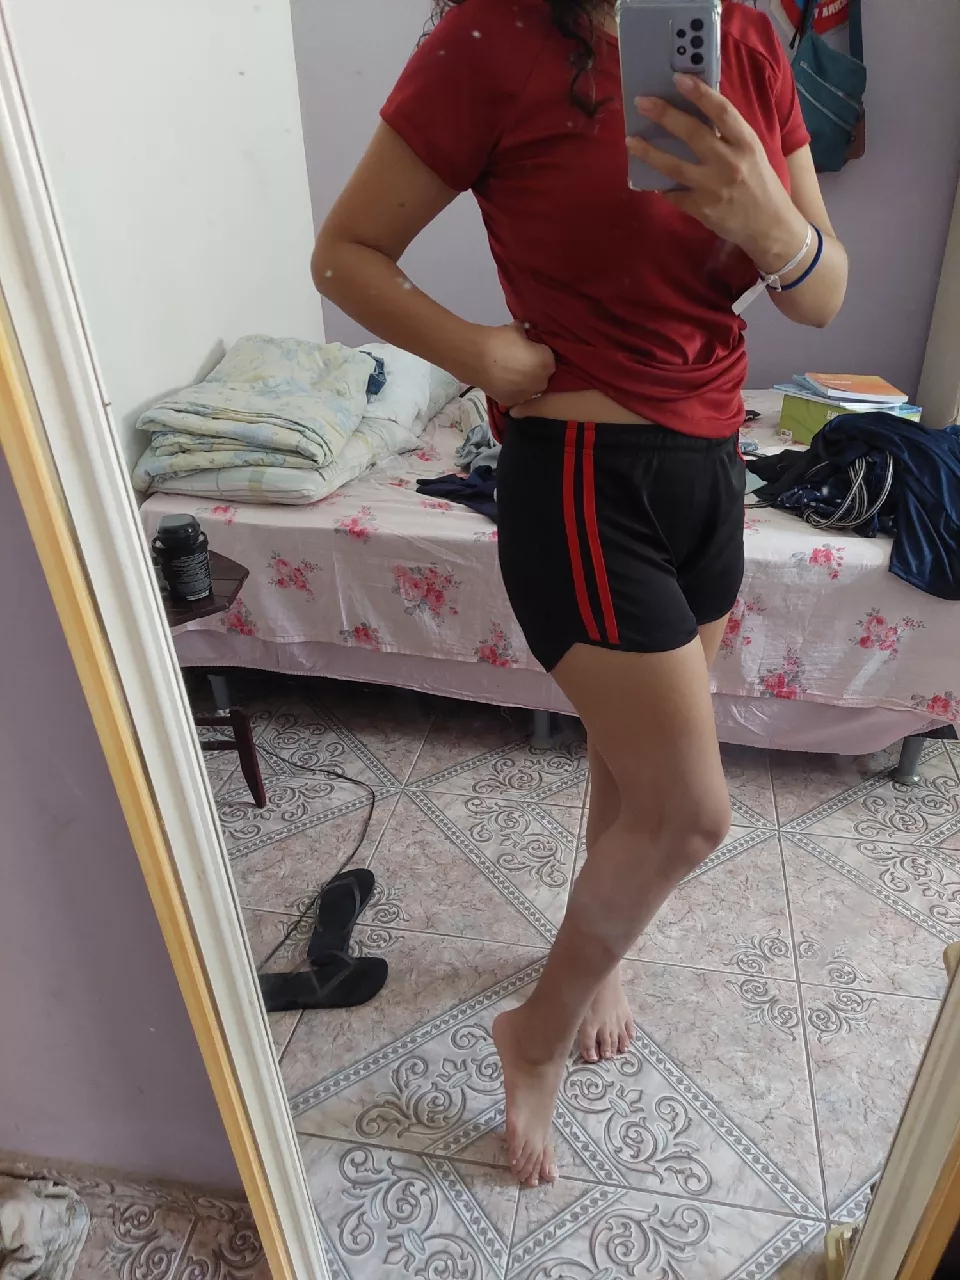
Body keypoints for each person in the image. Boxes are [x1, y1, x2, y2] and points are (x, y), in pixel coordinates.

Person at [312, 0, 847, 1189]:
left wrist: (770, 223)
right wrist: (480, 355)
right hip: (583, 480)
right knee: (690, 812)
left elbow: (820, 294)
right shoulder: (487, 38)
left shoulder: (749, 39)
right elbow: (344, 253)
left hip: (712, 467)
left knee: (632, 768)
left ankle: (600, 951)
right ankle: (535, 1032)